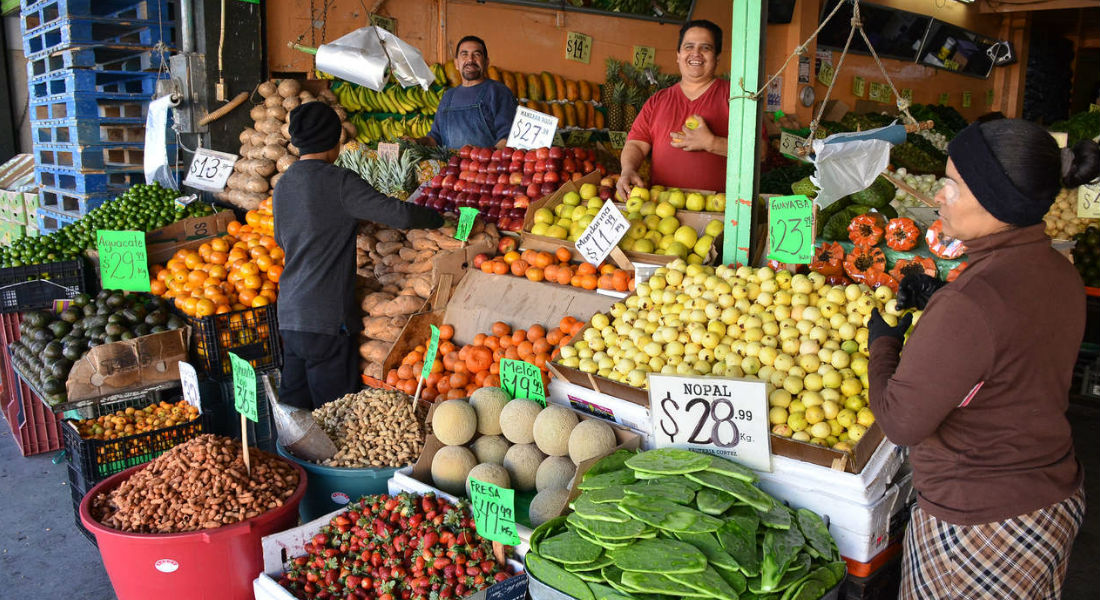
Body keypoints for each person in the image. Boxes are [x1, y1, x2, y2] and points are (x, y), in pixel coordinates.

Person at [866, 119, 1099, 599]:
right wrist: (939, 303)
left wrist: (884, 343)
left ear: (997, 200)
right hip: (1048, 500)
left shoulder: (973, 301)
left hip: (980, 528)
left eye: (952, 185)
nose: (939, 196)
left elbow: (901, 423)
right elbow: (1009, 357)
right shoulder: (1059, 271)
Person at [274, 102, 444, 410]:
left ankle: (291, 459)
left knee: (296, 410)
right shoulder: (338, 181)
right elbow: (400, 215)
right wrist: (439, 218)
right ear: (335, 138)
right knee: (337, 417)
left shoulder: (285, 183)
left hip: (289, 313)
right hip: (326, 319)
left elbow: (285, 238)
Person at [617, 19, 729, 200]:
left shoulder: (735, 98)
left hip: (722, 212)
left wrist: (711, 143)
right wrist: (628, 169)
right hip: (661, 211)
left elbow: (761, 152)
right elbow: (636, 143)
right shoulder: (658, 100)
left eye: (706, 48)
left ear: (717, 57)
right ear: (678, 55)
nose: (696, 53)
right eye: (689, 47)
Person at [413, 35, 516, 149]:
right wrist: (417, 142)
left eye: (477, 54)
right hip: (450, 165)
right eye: (464, 54)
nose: (470, 60)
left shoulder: (498, 92)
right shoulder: (448, 96)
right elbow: (435, 139)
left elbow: (508, 139)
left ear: (486, 62)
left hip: (485, 165)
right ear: (456, 64)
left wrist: (483, 156)